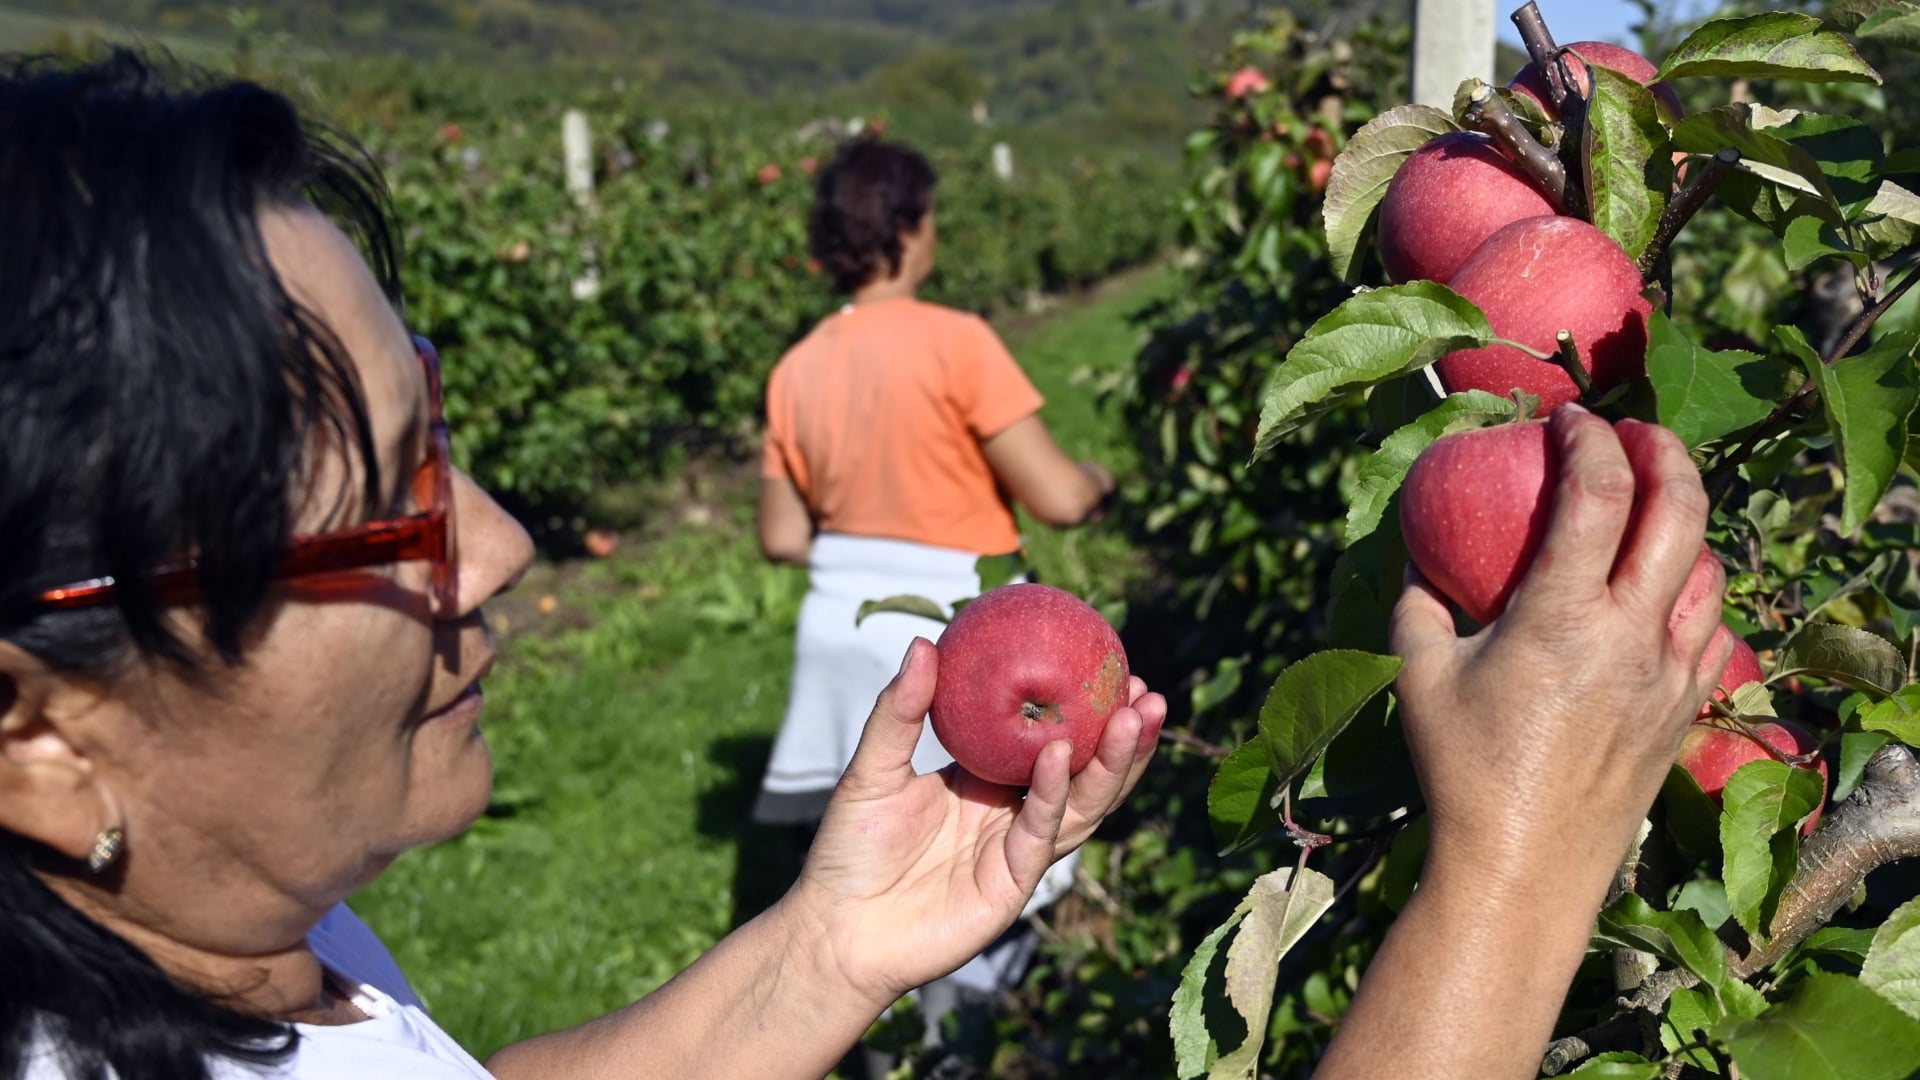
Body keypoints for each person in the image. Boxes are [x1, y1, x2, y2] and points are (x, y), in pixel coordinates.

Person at [0, 53, 1167, 1080]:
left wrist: (830, 948)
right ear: (35, 736)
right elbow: (1058, 488)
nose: (504, 548)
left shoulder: (237, 934)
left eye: (437, 439)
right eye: (379, 501)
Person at [751, 139, 1117, 1044]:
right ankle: (961, 1035)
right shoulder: (957, 343)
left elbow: (781, 534)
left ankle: (866, 1033)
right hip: (958, 634)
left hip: (840, 628)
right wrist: (1100, 478)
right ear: (911, 229)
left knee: (867, 853)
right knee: (974, 847)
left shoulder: (797, 366)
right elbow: (1059, 498)